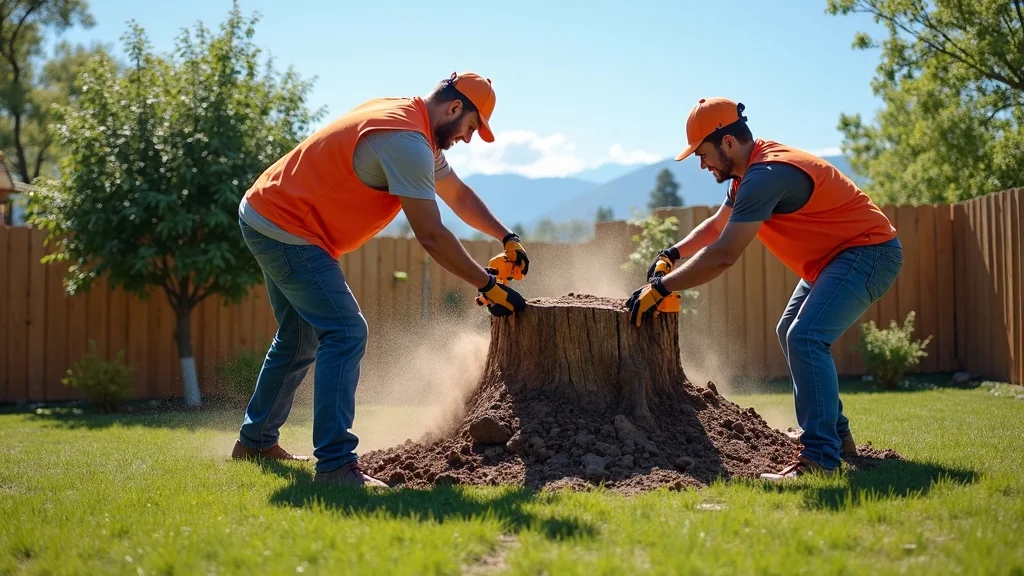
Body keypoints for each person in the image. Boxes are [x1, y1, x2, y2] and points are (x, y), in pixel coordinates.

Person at [230, 72, 529, 487]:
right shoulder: (405, 142)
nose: (469, 138)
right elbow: (431, 235)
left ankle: (256, 442)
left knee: (300, 336)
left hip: (268, 214)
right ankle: (335, 466)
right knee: (346, 331)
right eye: (472, 126)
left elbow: (457, 194)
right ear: (455, 108)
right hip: (288, 228)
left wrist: (506, 236)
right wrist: (488, 285)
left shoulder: (409, 123)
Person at [626, 97, 902, 480]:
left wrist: (660, 289)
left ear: (727, 143)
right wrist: (670, 254)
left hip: (868, 253)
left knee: (805, 336)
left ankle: (820, 458)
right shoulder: (748, 174)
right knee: (790, 332)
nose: (702, 164)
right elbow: (716, 226)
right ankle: (836, 437)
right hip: (837, 258)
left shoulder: (766, 175)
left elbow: (724, 253)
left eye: (702, 154)